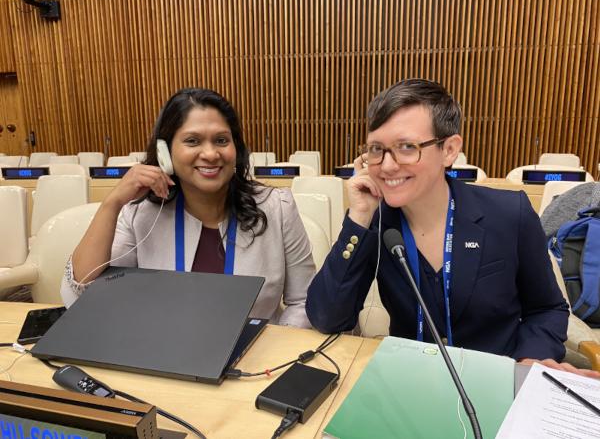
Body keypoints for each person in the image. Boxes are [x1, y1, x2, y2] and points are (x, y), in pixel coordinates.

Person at [306, 79, 597, 375]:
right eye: (376, 149)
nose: (387, 165)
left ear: (449, 149)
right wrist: (359, 216)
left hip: (495, 380)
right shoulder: (377, 223)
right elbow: (327, 318)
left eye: (406, 147)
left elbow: (547, 309)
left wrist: (528, 363)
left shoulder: (509, 213)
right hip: (410, 380)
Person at [61, 88, 314, 328]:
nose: (211, 153)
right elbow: (78, 298)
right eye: (192, 141)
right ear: (165, 153)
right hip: (168, 356)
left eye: (221, 140)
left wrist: (276, 353)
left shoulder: (278, 207)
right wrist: (112, 203)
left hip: (256, 361)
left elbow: (302, 302)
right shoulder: (142, 214)